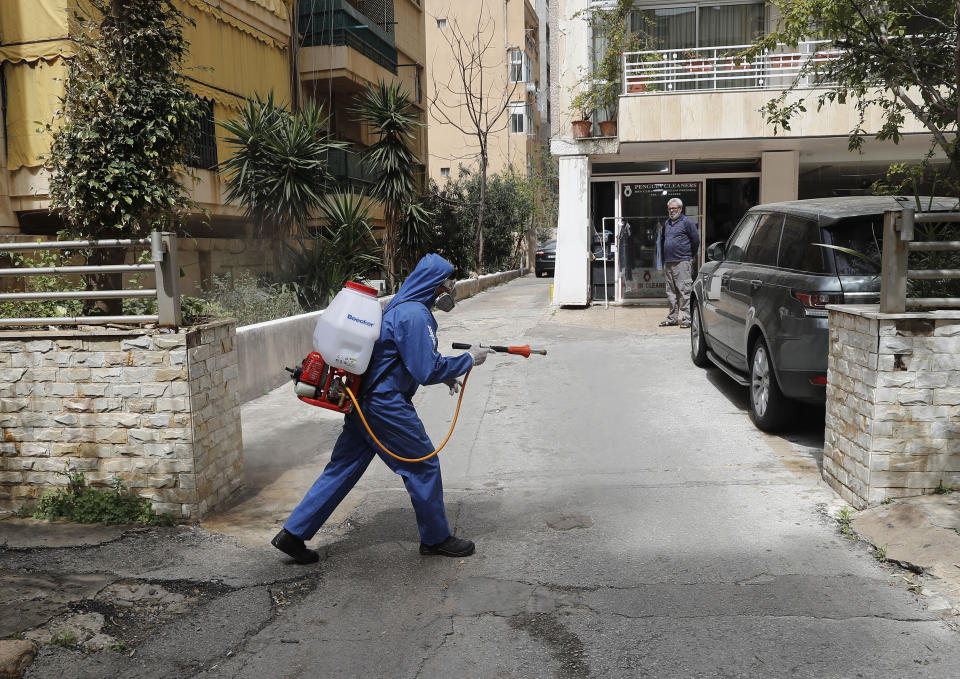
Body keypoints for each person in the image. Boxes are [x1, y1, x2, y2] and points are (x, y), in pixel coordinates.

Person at [271, 254, 491, 564]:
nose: (448, 290)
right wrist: (469, 359)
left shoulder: (400, 308)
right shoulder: (415, 315)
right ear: (433, 285)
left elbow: (406, 361)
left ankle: (293, 535)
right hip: (384, 406)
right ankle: (436, 538)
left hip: (362, 401)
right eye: (446, 284)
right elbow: (426, 369)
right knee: (423, 464)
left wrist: (446, 374)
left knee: (343, 467)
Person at [657, 198, 700, 328]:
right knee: (670, 292)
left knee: (684, 291)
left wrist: (689, 256)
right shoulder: (667, 223)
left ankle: (687, 319)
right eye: (670, 208)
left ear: (680, 209)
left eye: (674, 208)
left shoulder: (687, 222)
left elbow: (696, 241)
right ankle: (672, 318)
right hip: (669, 262)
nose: (671, 211)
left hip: (682, 262)